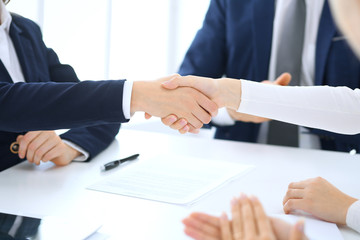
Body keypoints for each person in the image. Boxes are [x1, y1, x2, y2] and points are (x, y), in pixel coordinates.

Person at [162, 0, 360, 235]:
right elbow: (191, 80)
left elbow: (352, 107)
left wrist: (349, 210)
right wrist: (231, 105)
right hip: (243, 165)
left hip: (337, 168)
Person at [0, 0, 218, 171]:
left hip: (28, 210)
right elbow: (8, 103)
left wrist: (68, 148)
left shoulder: (26, 31)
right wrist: (137, 95)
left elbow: (88, 104)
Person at [175, 0, 360, 154]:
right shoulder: (232, 3)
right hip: (244, 155)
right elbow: (189, 83)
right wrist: (229, 110)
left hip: (337, 160)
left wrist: (242, 96)